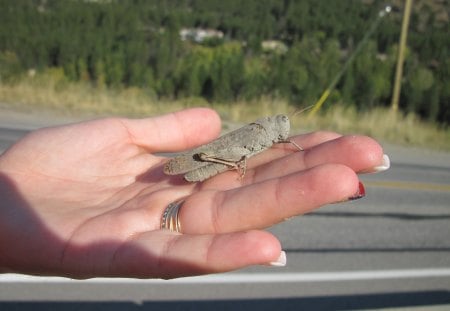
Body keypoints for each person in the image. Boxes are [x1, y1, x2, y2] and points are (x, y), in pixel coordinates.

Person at [0, 108, 389, 279]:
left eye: (282, 126)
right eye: (280, 125)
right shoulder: (261, 135)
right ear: (271, 127)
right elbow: (245, 147)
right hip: (209, 159)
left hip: (214, 164)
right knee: (233, 151)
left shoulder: (274, 135)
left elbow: (274, 145)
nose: (283, 130)